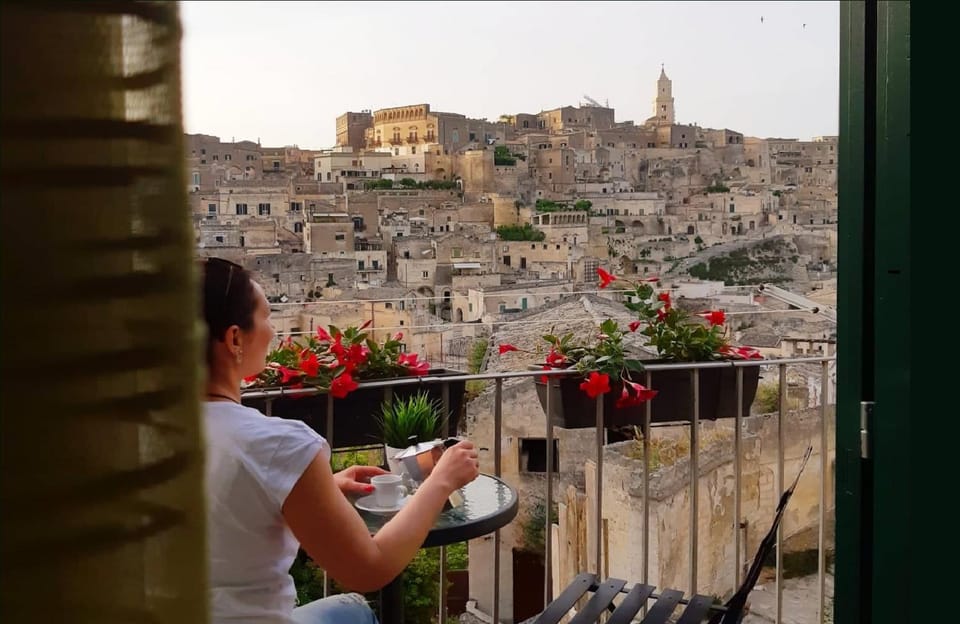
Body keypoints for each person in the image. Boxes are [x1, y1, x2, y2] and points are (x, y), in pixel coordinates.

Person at [200, 257, 480, 623]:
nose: (274, 331)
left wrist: (313, 491)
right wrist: (443, 479)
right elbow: (369, 569)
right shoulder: (276, 444)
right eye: (267, 317)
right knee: (355, 609)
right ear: (235, 338)